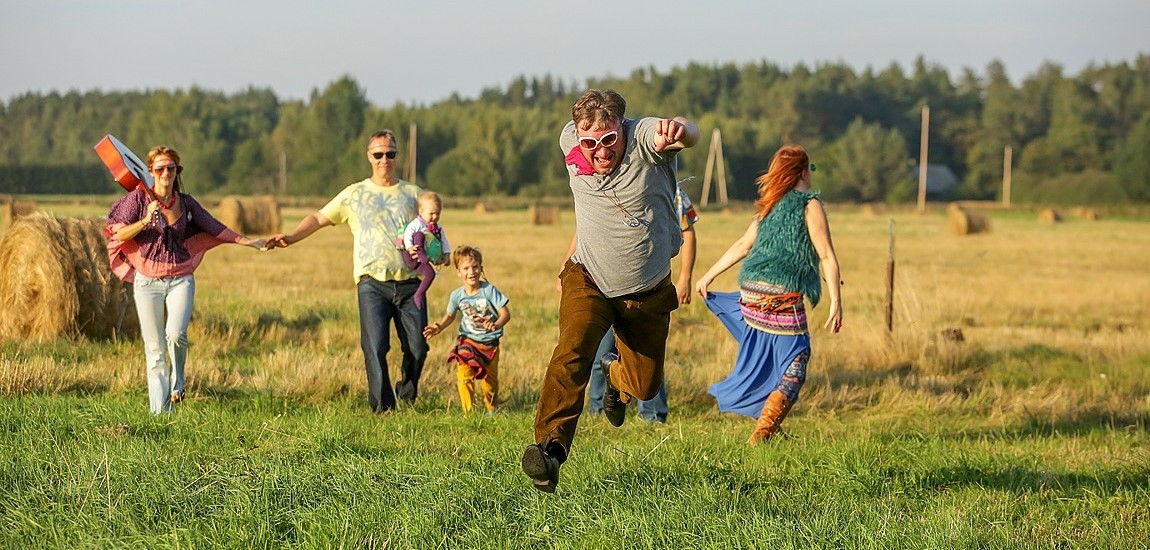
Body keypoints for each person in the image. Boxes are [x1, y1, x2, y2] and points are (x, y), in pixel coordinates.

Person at [522, 89, 699, 493]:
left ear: (623, 128)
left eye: (608, 140)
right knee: (572, 350)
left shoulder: (644, 139)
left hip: (648, 290)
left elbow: (691, 133)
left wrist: (682, 129)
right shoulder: (570, 141)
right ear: (577, 136)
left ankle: (617, 381)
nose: (599, 151)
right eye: (590, 143)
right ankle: (549, 453)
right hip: (590, 279)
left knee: (645, 386)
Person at [267, 130, 427, 413]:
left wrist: (437, 254)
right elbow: (319, 217)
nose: (384, 160)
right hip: (371, 284)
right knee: (375, 348)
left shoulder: (414, 194)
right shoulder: (355, 194)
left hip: (411, 283)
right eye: (378, 154)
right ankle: (382, 407)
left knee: (417, 348)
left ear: (397, 156)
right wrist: (292, 237)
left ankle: (406, 392)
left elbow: (432, 230)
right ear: (369, 156)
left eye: (390, 154)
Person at [694, 145, 843, 445]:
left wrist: (708, 275)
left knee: (775, 358)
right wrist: (837, 302)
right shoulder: (810, 204)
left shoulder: (769, 204)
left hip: (750, 297)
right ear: (801, 172)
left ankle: (769, 423)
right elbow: (826, 254)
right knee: (796, 363)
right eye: (809, 168)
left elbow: (743, 246)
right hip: (780, 299)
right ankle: (764, 432)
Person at [104, 145, 267, 414]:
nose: (165, 173)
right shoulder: (137, 201)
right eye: (160, 168)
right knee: (154, 349)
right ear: (150, 172)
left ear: (176, 171)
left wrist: (252, 242)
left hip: (181, 278)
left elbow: (215, 227)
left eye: (171, 168)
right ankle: (161, 414)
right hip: (147, 282)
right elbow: (118, 235)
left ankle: (179, 381)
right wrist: (145, 221)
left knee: (176, 334)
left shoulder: (187, 203)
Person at [584, 181, 699, 423]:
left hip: (648, 288)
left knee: (647, 355)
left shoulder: (671, 188)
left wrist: (685, 277)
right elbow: (586, 233)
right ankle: (598, 411)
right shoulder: (609, 181)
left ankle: (652, 415)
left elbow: (687, 232)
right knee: (602, 352)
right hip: (607, 284)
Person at [423, 245, 511, 415]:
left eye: (475, 267)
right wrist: (438, 327)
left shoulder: (489, 291)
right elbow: (450, 316)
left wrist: (496, 324)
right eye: (466, 268)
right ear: (458, 272)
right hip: (468, 341)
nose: (471, 272)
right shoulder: (457, 295)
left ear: (481, 268)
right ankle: (468, 413)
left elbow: (505, 314)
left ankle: (492, 409)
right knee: (464, 376)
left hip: (489, 344)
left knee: (489, 381)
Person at [399, 191, 450, 310]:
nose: (435, 217)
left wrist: (446, 255)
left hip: (423, 261)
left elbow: (444, 241)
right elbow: (408, 234)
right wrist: (409, 247)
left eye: (438, 213)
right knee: (418, 235)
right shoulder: (417, 224)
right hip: (412, 256)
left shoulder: (438, 227)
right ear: (421, 212)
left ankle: (419, 293)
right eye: (431, 213)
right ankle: (421, 253)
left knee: (430, 274)